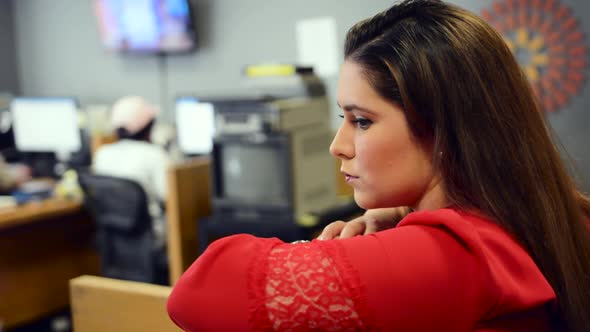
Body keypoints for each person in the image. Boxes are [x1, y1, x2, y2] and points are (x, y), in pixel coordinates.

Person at [167, 0, 590, 330]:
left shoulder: (448, 255)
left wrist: (329, 250)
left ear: (443, 129)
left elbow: (199, 291)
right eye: (343, 119)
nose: (338, 145)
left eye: (362, 121)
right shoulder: (544, 215)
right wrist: (409, 212)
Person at [93, 96, 171, 247]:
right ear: (149, 127)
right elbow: (169, 196)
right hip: (150, 235)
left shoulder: (103, 153)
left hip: (115, 235)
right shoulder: (154, 154)